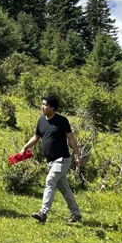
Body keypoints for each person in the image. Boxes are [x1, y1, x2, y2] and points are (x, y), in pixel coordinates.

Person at [21, 95, 82, 224]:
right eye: (42, 104)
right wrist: (25, 147)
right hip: (50, 161)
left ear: (53, 108)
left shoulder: (62, 121)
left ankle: (43, 213)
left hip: (62, 159)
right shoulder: (41, 121)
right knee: (65, 189)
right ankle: (76, 214)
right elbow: (36, 137)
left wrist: (77, 155)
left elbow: (71, 138)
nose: (42, 107)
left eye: (45, 105)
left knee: (50, 181)